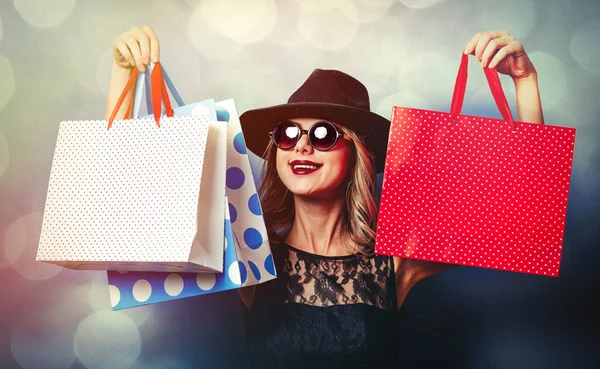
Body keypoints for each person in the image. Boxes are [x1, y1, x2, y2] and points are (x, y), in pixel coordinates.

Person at [105, 27, 544, 368]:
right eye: (289, 133)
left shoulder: (395, 261)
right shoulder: (248, 254)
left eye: (324, 134)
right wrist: (124, 73)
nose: (301, 146)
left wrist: (525, 82)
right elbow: (130, 213)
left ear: (357, 153)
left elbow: (521, 216)